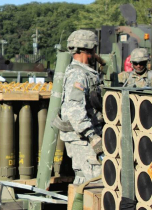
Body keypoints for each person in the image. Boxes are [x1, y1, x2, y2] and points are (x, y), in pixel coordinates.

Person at [57, 30, 103, 185]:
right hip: (83, 139)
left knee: (83, 180)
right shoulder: (78, 74)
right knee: (95, 181)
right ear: (88, 49)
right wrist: (92, 136)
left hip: (83, 137)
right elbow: (73, 110)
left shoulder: (84, 72)